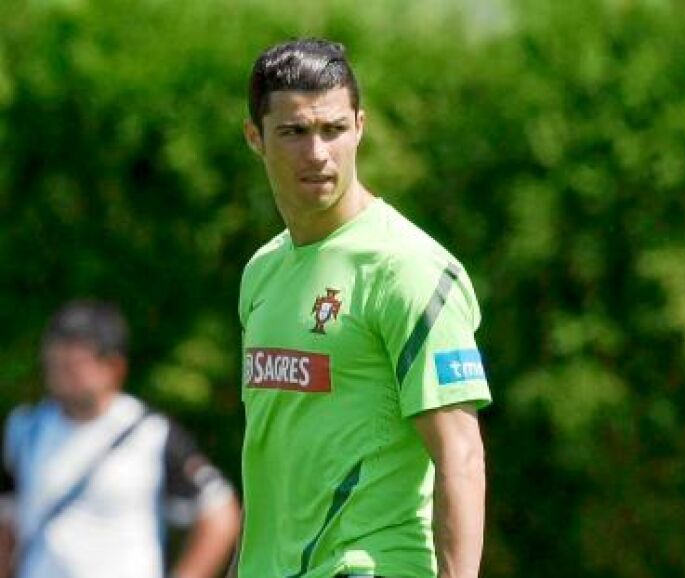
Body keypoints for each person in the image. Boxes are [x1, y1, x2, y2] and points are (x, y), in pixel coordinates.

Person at [233, 38, 491, 578]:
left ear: (359, 127)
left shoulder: (408, 268)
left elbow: (461, 456)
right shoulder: (262, 271)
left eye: (333, 129)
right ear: (255, 137)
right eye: (294, 132)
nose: (317, 153)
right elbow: (271, 457)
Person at [0, 300, 241, 578]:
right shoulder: (26, 428)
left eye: (73, 365)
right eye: (55, 364)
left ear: (113, 366)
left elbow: (219, 512)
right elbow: (8, 519)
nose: (61, 374)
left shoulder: (148, 433)